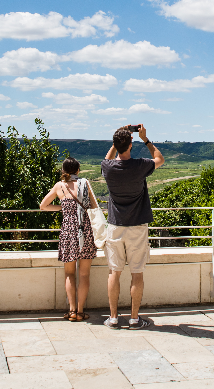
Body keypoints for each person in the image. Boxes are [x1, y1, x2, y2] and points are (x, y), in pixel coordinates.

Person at [100, 124, 164, 329]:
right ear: (130, 144)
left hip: (115, 225)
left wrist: (117, 139)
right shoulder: (139, 165)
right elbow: (160, 159)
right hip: (137, 225)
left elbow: (107, 159)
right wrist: (145, 139)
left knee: (114, 272)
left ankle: (113, 318)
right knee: (137, 273)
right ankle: (135, 319)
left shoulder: (108, 168)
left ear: (116, 145)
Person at [40, 157, 98, 322]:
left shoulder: (60, 186)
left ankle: (71, 311)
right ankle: (80, 312)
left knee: (69, 273)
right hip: (85, 230)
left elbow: (43, 206)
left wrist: (63, 207)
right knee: (85, 274)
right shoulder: (84, 184)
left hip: (68, 232)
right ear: (78, 170)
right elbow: (93, 206)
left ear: (63, 171)